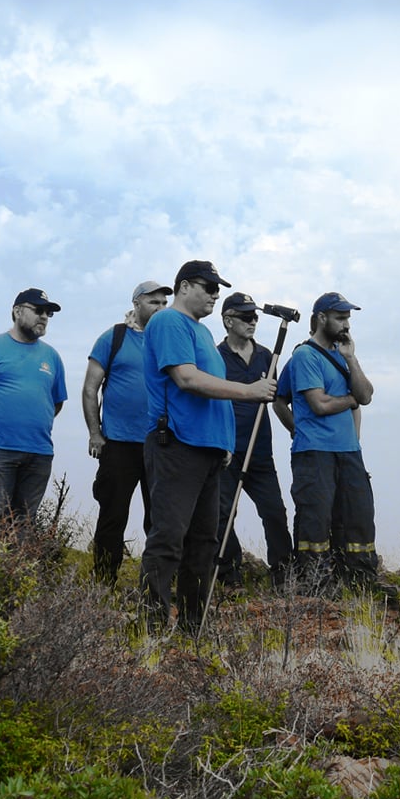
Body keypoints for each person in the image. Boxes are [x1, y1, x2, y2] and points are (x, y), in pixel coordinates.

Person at [140, 261, 274, 630]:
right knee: (169, 537)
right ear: (184, 286)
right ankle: (150, 627)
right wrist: (249, 391)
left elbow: (212, 389)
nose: (215, 293)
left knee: (203, 543)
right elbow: (186, 378)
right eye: (208, 285)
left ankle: (191, 629)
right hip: (177, 444)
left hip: (208, 450)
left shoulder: (199, 333)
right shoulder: (169, 322)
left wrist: (224, 441)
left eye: (218, 288)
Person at [277, 292, 378, 595]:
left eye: (348, 317)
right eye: (340, 317)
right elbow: (316, 404)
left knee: (358, 515)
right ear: (321, 318)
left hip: (348, 450)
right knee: (315, 518)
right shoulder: (305, 356)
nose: (346, 324)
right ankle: (315, 583)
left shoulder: (343, 355)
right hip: (314, 451)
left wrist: (351, 358)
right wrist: (298, 430)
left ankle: (360, 581)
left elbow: (367, 395)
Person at [83, 281, 170, 584]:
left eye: (163, 303)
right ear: (136, 303)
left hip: (160, 442)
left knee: (159, 520)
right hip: (118, 443)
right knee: (113, 515)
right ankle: (104, 582)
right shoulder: (114, 337)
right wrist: (95, 434)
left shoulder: (168, 340)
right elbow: (90, 389)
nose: (160, 308)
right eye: (153, 302)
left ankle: (156, 585)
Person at [0, 288, 67, 526]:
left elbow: (56, 402)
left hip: (39, 452)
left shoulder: (52, 357)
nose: (44, 317)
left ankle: (17, 566)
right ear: (17, 311)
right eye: (38, 310)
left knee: (25, 523)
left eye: (48, 313)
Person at [215, 292, 292, 591]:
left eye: (255, 316)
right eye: (246, 317)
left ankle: (284, 573)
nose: (253, 321)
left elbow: (279, 398)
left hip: (260, 451)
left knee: (274, 511)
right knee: (223, 514)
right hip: (227, 450)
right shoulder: (215, 357)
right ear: (228, 320)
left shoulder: (266, 356)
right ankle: (229, 575)